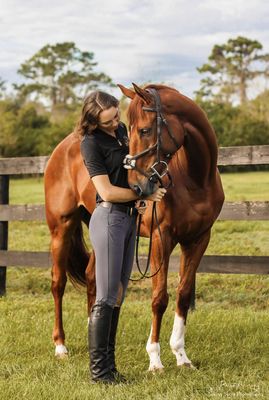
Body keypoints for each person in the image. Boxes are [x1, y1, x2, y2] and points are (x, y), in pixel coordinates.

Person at [79, 90, 166, 384]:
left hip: (129, 220)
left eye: (115, 115)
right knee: (105, 296)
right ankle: (99, 373)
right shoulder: (91, 143)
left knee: (117, 295)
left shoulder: (120, 131)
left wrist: (141, 196)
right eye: (107, 121)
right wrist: (144, 193)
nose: (114, 122)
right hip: (108, 219)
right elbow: (106, 191)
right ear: (93, 121)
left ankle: (111, 368)